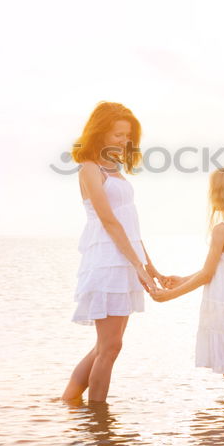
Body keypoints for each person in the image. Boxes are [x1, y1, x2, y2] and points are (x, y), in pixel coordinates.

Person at [61, 101, 174, 403]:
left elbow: (131, 227)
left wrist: (150, 267)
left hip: (126, 259)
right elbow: (109, 221)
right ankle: (98, 419)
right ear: (99, 134)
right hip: (107, 260)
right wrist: (137, 265)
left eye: (127, 136)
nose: (124, 141)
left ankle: (70, 399)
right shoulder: (89, 169)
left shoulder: (117, 172)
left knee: (107, 346)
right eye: (117, 135)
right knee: (110, 347)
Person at [151, 167, 224, 407]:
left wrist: (169, 295)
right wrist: (183, 278)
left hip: (223, 307)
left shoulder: (222, 230)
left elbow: (207, 275)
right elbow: (216, 270)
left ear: (222, 194)